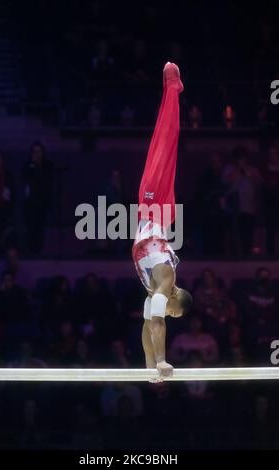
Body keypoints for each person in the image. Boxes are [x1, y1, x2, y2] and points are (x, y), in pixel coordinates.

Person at [132, 62, 192, 378]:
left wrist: (148, 367)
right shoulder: (166, 279)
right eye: (172, 312)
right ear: (174, 300)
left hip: (150, 211)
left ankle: (171, 89)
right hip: (156, 210)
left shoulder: (154, 287)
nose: (167, 313)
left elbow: (147, 325)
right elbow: (157, 322)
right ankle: (172, 85)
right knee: (167, 142)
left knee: (162, 142)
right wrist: (162, 361)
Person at [23, 142, 53, 254]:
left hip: (43, 204)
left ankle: (39, 251)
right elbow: (26, 182)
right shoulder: (27, 166)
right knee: (30, 229)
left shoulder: (48, 167)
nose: (37, 154)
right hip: (30, 205)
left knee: (40, 229)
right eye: (34, 152)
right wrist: (34, 166)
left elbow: (48, 184)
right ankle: (31, 250)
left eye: (39, 151)